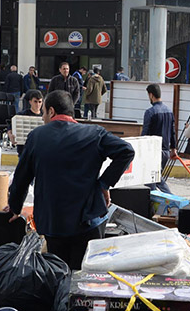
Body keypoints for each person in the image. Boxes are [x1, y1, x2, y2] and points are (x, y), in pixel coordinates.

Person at [7, 90, 134, 270]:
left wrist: (14, 207)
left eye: (43, 112)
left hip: (53, 223)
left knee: (58, 276)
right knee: (84, 279)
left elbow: (22, 178)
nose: (43, 117)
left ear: (51, 111)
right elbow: (126, 151)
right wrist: (103, 184)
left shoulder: (37, 137)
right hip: (88, 220)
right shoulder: (94, 133)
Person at [142, 83, 176, 193]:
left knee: (151, 179)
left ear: (151, 95)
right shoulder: (169, 111)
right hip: (165, 151)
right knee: (155, 177)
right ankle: (169, 200)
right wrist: (173, 148)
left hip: (153, 151)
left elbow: (145, 133)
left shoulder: (150, 112)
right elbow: (172, 131)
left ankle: (169, 200)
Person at [10, 89, 43, 158]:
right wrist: (11, 135)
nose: (38, 104)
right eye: (35, 102)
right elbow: (10, 127)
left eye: (40, 102)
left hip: (39, 152)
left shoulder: (45, 116)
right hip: (24, 152)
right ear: (30, 102)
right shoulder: (21, 115)